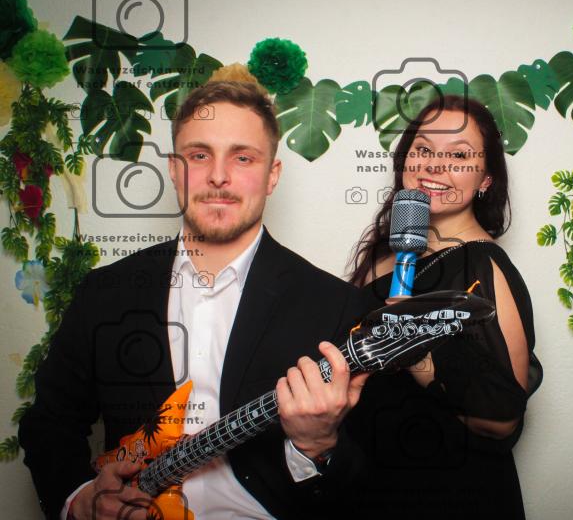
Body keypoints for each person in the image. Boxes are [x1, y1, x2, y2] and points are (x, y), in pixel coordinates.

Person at [19, 77, 372, 520]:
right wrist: (79, 498)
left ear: (272, 175)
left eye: (242, 157)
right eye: (199, 155)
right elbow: (50, 423)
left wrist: (317, 445)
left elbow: (369, 480)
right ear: (173, 169)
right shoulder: (104, 292)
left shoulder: (335, 305)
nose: (219, 176)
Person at [345, 95, 543, 519]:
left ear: (486, 179)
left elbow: (501, 418)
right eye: (424, 149)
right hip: (370, 484)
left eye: (459, 155)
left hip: (447, 494)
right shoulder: (384, 255)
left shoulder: (482, 265)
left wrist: (412, 351)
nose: (435, 165)